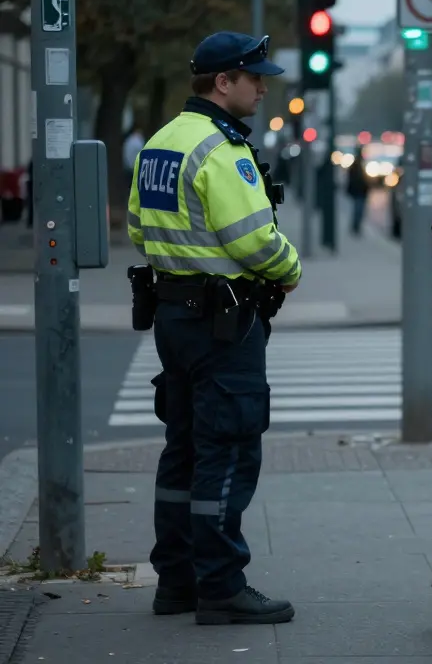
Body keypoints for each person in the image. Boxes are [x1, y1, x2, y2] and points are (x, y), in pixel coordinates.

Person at [127, 31, 301, 626]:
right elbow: (254, 238)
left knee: (182, 449)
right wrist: (291, 268)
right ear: (222, 82)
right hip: (225, 322)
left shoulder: (161, 141)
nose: (262, 88)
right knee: (225, 451)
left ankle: (175, 581)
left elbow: (135, 227)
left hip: (174, 315)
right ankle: (222, 586)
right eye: (255, 78)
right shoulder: (220, 148)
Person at [347, 147, 370, 235]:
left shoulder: (361, 165)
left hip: (360, 192)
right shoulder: (356, 166)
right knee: (358, 210)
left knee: (359, 210)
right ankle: (355, 227)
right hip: (358, 192)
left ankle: (356, 227)